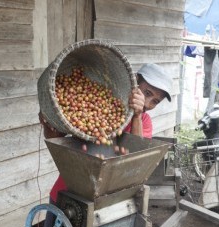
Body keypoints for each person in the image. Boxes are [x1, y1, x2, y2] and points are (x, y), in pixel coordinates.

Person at [39, 63, 173, 204]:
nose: (146, 103)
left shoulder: (143, 121)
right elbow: (54, 138)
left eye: (155, 102)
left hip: (104, 201)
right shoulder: (103, 101)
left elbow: (136, 159)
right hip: (67, 190)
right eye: (147, 93)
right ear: (135, 81)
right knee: (54, 225)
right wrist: (48, 122)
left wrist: (137, 116)